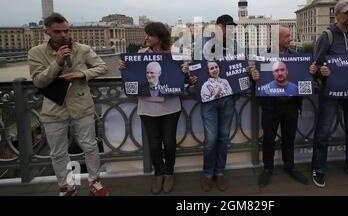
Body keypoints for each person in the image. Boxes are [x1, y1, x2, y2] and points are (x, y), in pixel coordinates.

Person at [28, 12, 109, 196]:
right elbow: (39, 81)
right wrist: (57, 63)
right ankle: (68, 186)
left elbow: (102, 67)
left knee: (90, 145)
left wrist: (82, 74)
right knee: (58, 151)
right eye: (58, 32)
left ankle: (95, 181)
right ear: (46, 31)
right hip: (54, 108)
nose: (63, 35)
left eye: (66, 31)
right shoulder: (36, 53)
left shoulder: (82, 49)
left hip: (82, 105)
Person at [119, 22, 188, 194]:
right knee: (154, 143)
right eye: (146, 34)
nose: (146, 38)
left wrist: (184, 71)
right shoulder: (141, 54)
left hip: (170, 106)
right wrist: (123, 68)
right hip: (147, 107)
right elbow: (132, 76)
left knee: (170, 142)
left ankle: (169, 172)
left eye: (150, 35)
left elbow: (183, 78)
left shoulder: (175, 53)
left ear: (159, 37)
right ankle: (159, 173)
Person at [309, 0, 348, 188]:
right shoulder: (327, 36)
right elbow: (315, 64)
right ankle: (318, 168)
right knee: (323, 131)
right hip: (331, 92)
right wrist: (322, 71)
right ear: (337, 15)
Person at [249, 25, 309, 187]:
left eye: (290, 36)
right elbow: (260, 80)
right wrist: (254, 76)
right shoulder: (263, 58)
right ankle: (267, 169)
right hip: (271, 107)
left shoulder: (296, 57)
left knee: (289, 139)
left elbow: (304, 79)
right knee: (269, 139)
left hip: (291, 105)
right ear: (276, 39)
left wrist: (311, 72)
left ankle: (290, 167)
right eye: (287, 36)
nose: (290, 39)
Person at [189, 14, 243, 192]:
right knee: (211, 139)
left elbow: (239, 67)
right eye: (225, 26)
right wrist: (191, 77)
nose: (229, 30)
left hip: (228, 98)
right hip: (209, 100)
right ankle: (207, 174)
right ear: (216, 26)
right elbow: (193, 66)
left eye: (231, 27)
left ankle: (219, 172)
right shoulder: (201, 42)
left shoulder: (234, 44)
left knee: (223, 137)